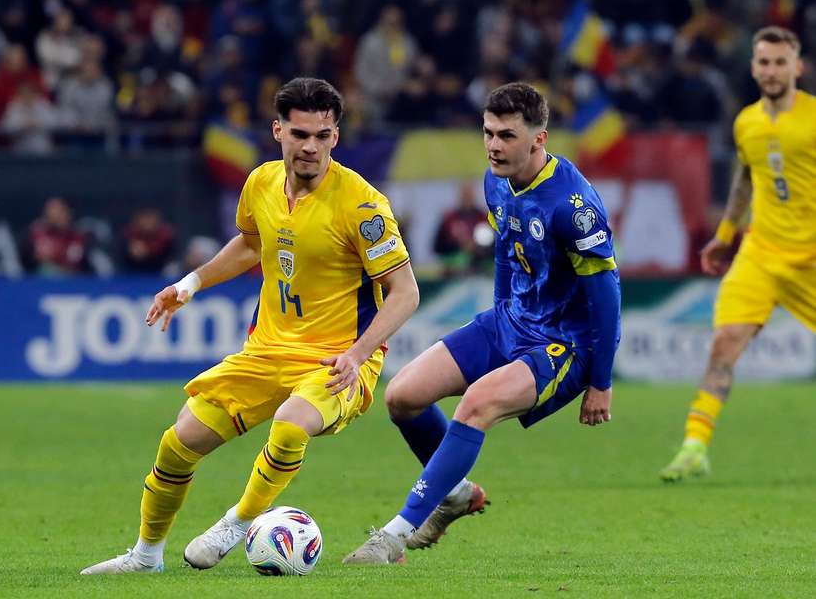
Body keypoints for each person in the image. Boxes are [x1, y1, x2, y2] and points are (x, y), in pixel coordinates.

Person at [80, 77, 419, 574]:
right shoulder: (260, 182)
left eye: (322, 136)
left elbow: (405, 291)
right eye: (300, 134)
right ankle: (145, 557)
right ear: (278, 130)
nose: (310, 146)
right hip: (266, 351)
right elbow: (249, 244)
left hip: (337, 358)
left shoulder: (363, 205)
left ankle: (239, 522)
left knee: (290, 424)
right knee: (178, 443)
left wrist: (359, 354)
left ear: (336, 137)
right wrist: (190, 284)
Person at [342, 82, 621, 565]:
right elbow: (506, 257)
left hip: (561, 344)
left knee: (476, 405)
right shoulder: (496, 182)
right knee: (402, 396)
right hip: (509, 321)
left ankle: (393, 537)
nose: (494, 145)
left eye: (507, 136)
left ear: (540, 139)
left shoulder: (573, 209)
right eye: (488, 133)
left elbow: (608, 296)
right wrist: (498, 316)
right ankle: (454, 494)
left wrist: (601, 381)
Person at [659, 26, 816, 482]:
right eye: (763, 62)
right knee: (725, 343)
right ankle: (693, 447)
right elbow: (747, 178)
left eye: (780, 62)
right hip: (761, 253)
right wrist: (726, 233)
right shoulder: (745, 121)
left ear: (797, 67)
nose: (771, 70)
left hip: (810, 259)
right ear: (752, 67)